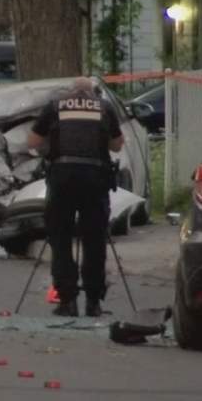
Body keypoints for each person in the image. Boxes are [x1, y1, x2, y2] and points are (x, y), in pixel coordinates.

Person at [27, 77, 124, 317]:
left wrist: (50, 147)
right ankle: (93, 302)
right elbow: (117, 145)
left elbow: (33, 141)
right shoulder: (104, 107)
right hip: (95, 179)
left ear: (70, 92)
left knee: (60, 239)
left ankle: (67, 301)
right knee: (94, 241)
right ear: (92, 92)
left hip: (62, 179)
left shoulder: (54, 106)